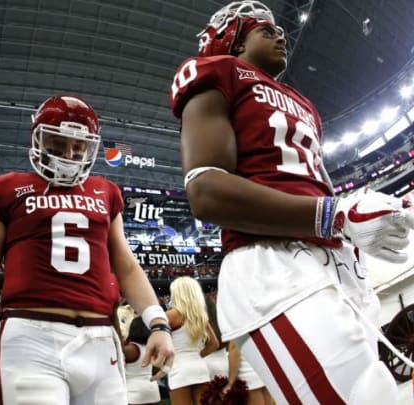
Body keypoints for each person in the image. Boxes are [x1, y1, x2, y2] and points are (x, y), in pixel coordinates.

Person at [169, 1, 414, 404]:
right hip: (270, 264)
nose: (280, 33)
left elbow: (315, 182)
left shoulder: (304, 105)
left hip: (336, 261)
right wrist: (334, 216)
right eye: (265, 30)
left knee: (379, 389)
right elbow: (206, 189)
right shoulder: (220, 72)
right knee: (363, 396)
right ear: (233, 40)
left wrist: (352, 216)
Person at [0, 95, 175, 405]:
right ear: (39, 139)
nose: (69, 153)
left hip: (100, 339)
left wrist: (158, 324)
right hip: (31, 336)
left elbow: (127, 266)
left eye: (79, 146)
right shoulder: (6, 189)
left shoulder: (105, 192)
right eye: (59, 143)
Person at [165, 277, 219, 405]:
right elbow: (214, 344)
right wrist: (196, 356)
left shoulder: (170, 315)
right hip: (199, 367)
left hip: (179, 369)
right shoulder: (200, 316)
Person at [123, 317, 161, 405]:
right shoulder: (154, 349)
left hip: (133, 393)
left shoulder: (129, 349)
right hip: (153, 391)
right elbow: (156, 371)